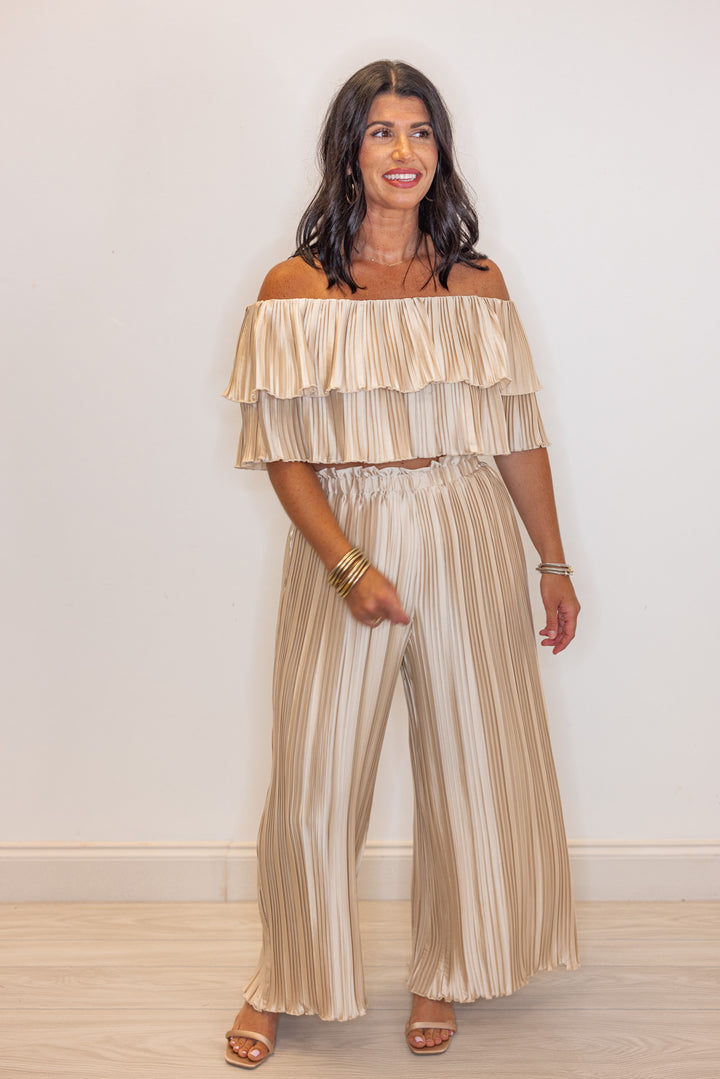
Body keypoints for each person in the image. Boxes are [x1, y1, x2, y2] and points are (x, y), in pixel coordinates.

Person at [222, 59, 580, 1068]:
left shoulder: (476, 282)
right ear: (349, 151)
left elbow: (516, 432)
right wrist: (347, 566)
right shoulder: (295, 287)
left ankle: (445, 967)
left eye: (420, 132)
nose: (403, 151)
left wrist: (552, 561)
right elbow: (283, 453)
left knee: (473, 761)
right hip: (347, 531)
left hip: (466, 521)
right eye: (381, 131)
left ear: (440, 152)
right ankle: (284, 974)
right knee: (315, 773)